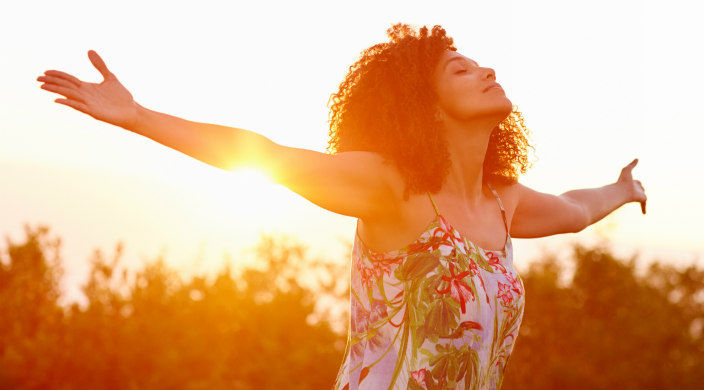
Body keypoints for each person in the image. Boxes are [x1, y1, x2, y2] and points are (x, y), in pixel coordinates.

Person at [38, 24, 646, 390]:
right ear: (426, 108)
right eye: (461, 70)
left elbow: (572, 207)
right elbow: (266, 154)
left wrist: (623, 190)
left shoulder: (502, 202)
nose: (485, 68)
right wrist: (140, 118)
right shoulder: (392, 188)